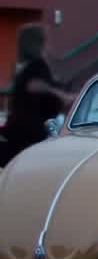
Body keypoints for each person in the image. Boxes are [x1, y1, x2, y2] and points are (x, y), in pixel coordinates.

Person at [0, 24, 75, 166]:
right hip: (30, 135)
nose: (49, 45)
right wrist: (62, 96)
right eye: (47, 40)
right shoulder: (38, 66)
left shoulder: (26, 68)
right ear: (40, 43)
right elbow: (35, 87)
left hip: (19, 132)